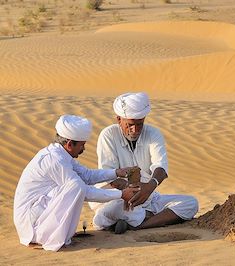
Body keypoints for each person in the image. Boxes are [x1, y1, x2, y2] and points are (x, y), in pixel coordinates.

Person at [13, 114, 139, 251]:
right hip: (30, 221)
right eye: (82, 145)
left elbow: (87, 175)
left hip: (38, 210)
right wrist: (120, 194)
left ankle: (54, 235)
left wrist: (117, 172)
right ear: (69, 144)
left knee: (77, 184)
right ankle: (43, 237)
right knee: (76, 186)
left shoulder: (61, 154)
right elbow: (84, 191)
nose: (83, 150)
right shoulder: (55, 160)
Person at [89, 92, 198, 234]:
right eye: (130, 125)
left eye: (139, 124)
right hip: (117, 196)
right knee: (114, 209)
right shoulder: (108, 135)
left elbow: (161, 167)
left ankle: (139, 225)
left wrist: (150, 186)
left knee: (190, 204)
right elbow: (109, 174)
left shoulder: (153, 133)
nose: (135, 130)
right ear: (118, 119)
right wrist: (128, 190)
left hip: (148, 195)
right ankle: (138, 219)